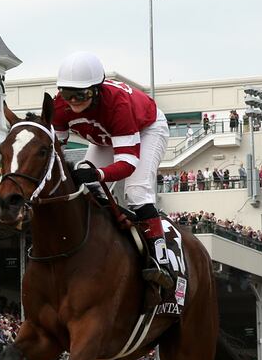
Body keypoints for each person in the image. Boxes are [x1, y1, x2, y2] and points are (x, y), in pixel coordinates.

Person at [51, 51, 175, 301]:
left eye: (81, 94)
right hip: (105, 136)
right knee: (86, 190)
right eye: (67, 94)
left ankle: (161, 262)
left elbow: (127, 163)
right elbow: (56, 148)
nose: (73, 102)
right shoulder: (59, 106)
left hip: (145, 127)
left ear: (96, 90)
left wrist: (97, 172)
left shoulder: (117, 104)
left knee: (137, 191)